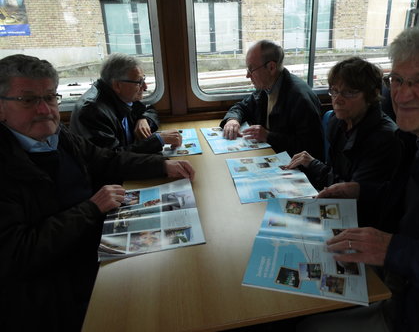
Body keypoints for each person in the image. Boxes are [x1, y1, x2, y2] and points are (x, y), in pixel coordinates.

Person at [297, 19, 419, 332]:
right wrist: (361, 190)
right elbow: (415, 206)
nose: (402, 95)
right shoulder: (417, 136)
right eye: (397, 79)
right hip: (404, 285)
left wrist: (394, 251)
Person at [0, 54, 195, 331]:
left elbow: (106, 159)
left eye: (51, 97)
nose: (44, 109)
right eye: (28, 100)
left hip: (92, 238)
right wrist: (91, 208)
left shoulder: (57, 135)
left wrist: (162, 165)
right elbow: (17, 253)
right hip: (53, 287)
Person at [286, 57, 401, 227]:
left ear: (372, 95)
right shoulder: (336, 121)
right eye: (334, 91)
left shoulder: (384, 138)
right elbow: (336, 176)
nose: (338, 99)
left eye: (349, 92)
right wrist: (312, 164)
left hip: (360, 221)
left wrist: (315, 166)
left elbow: (349, 194)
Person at [220, 40, 325, 160]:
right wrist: (233, 119)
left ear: (271, 67)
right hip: (272, 155)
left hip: (294, 166)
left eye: (251, 69)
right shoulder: (266, 87)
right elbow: (242, 107)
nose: (247, 75)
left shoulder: (300, 99)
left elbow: (311, 148)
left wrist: (269, 136)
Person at [70, 53, 182, 153]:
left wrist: (143, 119)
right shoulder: (92, 111)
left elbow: (149, 109)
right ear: (117, 85)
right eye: (139, 82)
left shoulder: (122, 97)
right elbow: (112, 158)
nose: (145, 86)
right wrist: (158, 140)